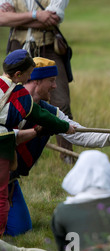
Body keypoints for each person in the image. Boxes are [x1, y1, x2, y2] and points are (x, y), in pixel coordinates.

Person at [5, 56, 110, 237]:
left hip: (9, 180)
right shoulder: (6, 104)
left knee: (20, 230)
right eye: (52, 81)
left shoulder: (51, 113)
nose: (55, 86)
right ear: (37, 80)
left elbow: (82, 134)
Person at [0, 0, 74, 162]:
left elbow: (54, 18)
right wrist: (36, 15)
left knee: (61, 101)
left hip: (49, 47)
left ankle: (67, 155)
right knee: (10, 98)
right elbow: (1, 19)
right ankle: (11, 150)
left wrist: (17, 17)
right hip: (19, 49)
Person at [1, 49, 75, 235]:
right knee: (1, 201)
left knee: (21, 230)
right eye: (27, 76)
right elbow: (41, 115)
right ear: (19, 75)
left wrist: (37, 132)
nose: (28, 80)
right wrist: (64, 127)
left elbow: (16, 133)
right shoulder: (20, 96)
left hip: (5, 163)